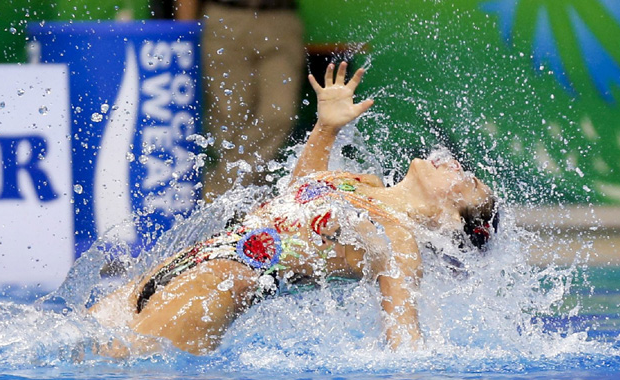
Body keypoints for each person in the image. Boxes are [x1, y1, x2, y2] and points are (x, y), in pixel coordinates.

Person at [89, 63, 498, 356]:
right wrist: (326, 129)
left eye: (471, 183)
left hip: (211, 293)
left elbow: (406, 348)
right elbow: (295, 196)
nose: (459, 166)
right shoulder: (365, 183)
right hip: (174, 270)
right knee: (64, 351)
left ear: (448, 219)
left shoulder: (399, 241)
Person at [175, 0, 305, 201]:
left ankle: (217, 192)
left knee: (279, 114)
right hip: (225, 16)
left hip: (279, 17)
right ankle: (252, 207)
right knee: (230, 121)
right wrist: (184, 33)